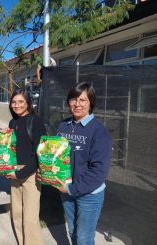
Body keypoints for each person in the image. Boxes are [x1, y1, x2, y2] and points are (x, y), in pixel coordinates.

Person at [54, 82, 112, 245]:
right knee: (72, 231)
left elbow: (99, 171)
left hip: (89, 195)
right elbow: (57, 156)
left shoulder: (99, 131)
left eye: (82, 100)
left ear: (91, 102)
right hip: (66, 190)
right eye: (73, 99)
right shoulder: (63, 126)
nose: (77, 104)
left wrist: (72, 188)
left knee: (84, 238)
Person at [5, 89, 46, 245]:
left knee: (30, 219)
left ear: (28, 103)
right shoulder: (12, 122)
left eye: (21, 101)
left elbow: (39, 155)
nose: (16, 105)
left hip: (30, 174)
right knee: (17, 215)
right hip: (14, 172)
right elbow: (11, 149)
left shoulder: (35, 121)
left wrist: (21, 173)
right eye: (14, 102)